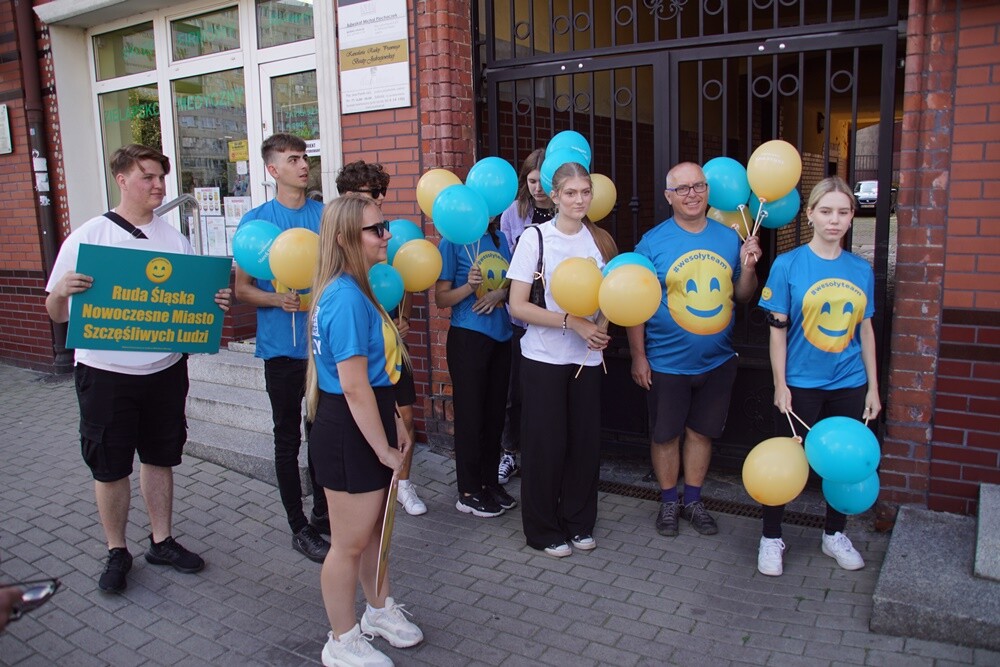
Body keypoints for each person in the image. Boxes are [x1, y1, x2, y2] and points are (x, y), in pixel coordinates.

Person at [44, 144, 232, 593]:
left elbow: (190, 302)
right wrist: (63, 293)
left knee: (161, 456)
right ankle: (116, 550)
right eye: (148, 176)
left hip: (164, 369)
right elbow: (55, 312)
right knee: (110, 465)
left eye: (161, 178)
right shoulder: (88, 237)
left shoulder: (174, 239)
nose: (158, 186)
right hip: (105, 373)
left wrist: (215, 303)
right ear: (122, 180)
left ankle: (161, 540)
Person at [306, 194, 423, 666]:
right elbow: (353, 387)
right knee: (349, 544)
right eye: (376, 229)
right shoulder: (345, 298)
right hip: (347, 429)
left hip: (367, 417)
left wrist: (395, 421)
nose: (387, 235)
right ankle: (341, 639)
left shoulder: (358, 289)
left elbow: (376, 376)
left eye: (385, 225)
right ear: (344, 239)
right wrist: (385, 451)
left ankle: (377, 611)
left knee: (376, 532)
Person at [756, 176, 881, 576]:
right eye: (826, 211)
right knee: (785, 462)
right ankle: (771, 537)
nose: (835, 220)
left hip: (848, 383)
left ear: (851, 217)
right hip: (800, 385)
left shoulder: (860, 269)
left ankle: (834, 534)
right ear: (810, 214)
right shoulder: (787, 264)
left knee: (842, 464)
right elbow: (777, 332)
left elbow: (865, 330)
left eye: (843, 212)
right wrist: (780, 385)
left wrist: (873, 388)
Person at [628, 161, 760, 539]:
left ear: (707, 191)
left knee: (702, 433)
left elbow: (743, 295)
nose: (692, 194)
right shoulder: (652, 242)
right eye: (682, 188)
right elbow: (633, 301)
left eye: (698, 186)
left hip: (717, 362)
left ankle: (693, 501)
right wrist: (639, 355)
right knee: (665, 435)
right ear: (668, 196)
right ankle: (669, 501)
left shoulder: (729, 237)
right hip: (666, 363)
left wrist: (749, 267)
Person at [507, 161, 618, 557]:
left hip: (586, 361)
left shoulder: (600, 240)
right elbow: (517, 305)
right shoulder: (536, 239)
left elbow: (612, 294)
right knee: (545, 445)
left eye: (585, 192)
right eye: (570, 193)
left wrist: (601, 324)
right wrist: (573, 322)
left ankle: (578, 521)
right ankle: (542, 529)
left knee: (584, 445)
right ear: (554, 196)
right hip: (543, 358)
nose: (579, 200)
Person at [235, 133, 330, 563]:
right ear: (273, 170)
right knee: (287, 438)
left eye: (304, 157)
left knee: (324, 435)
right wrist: (278, 299)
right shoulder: (257, 222)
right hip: (280, 351)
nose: (303, 165)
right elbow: (241, 289)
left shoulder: (324, 216)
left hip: (322, 349)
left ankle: (325, 513)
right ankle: (299, 526)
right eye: (293, 159)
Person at [336, 160, 427, 517]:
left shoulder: (387, 233)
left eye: (378, 193)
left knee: (404, 414)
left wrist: (399, 320)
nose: (376, 199)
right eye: (365, 194)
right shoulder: (344, 243)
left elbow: (403, 281)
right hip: (362, 344)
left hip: (391, 338)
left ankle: (404, 484)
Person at [436, 217, 515, 517]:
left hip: (501, 334)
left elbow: (510, 283)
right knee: (471, 416)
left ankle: (489, 482)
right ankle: (468, 491)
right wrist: (470, 287)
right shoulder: (453, 240)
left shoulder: (501, 240)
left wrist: (501, 293)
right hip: (469, 337)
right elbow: (441, 298)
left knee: (495, 416)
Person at [497, 148, 554, 485]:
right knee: (514, 392)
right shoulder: (513, 214)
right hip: (520, 318)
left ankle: (540, 455)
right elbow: (506, 265)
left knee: (543, 394)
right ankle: (509, 453)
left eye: (543, 181)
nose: (538, 188)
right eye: (532, 181)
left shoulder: (568, 212)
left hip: (557, 318)